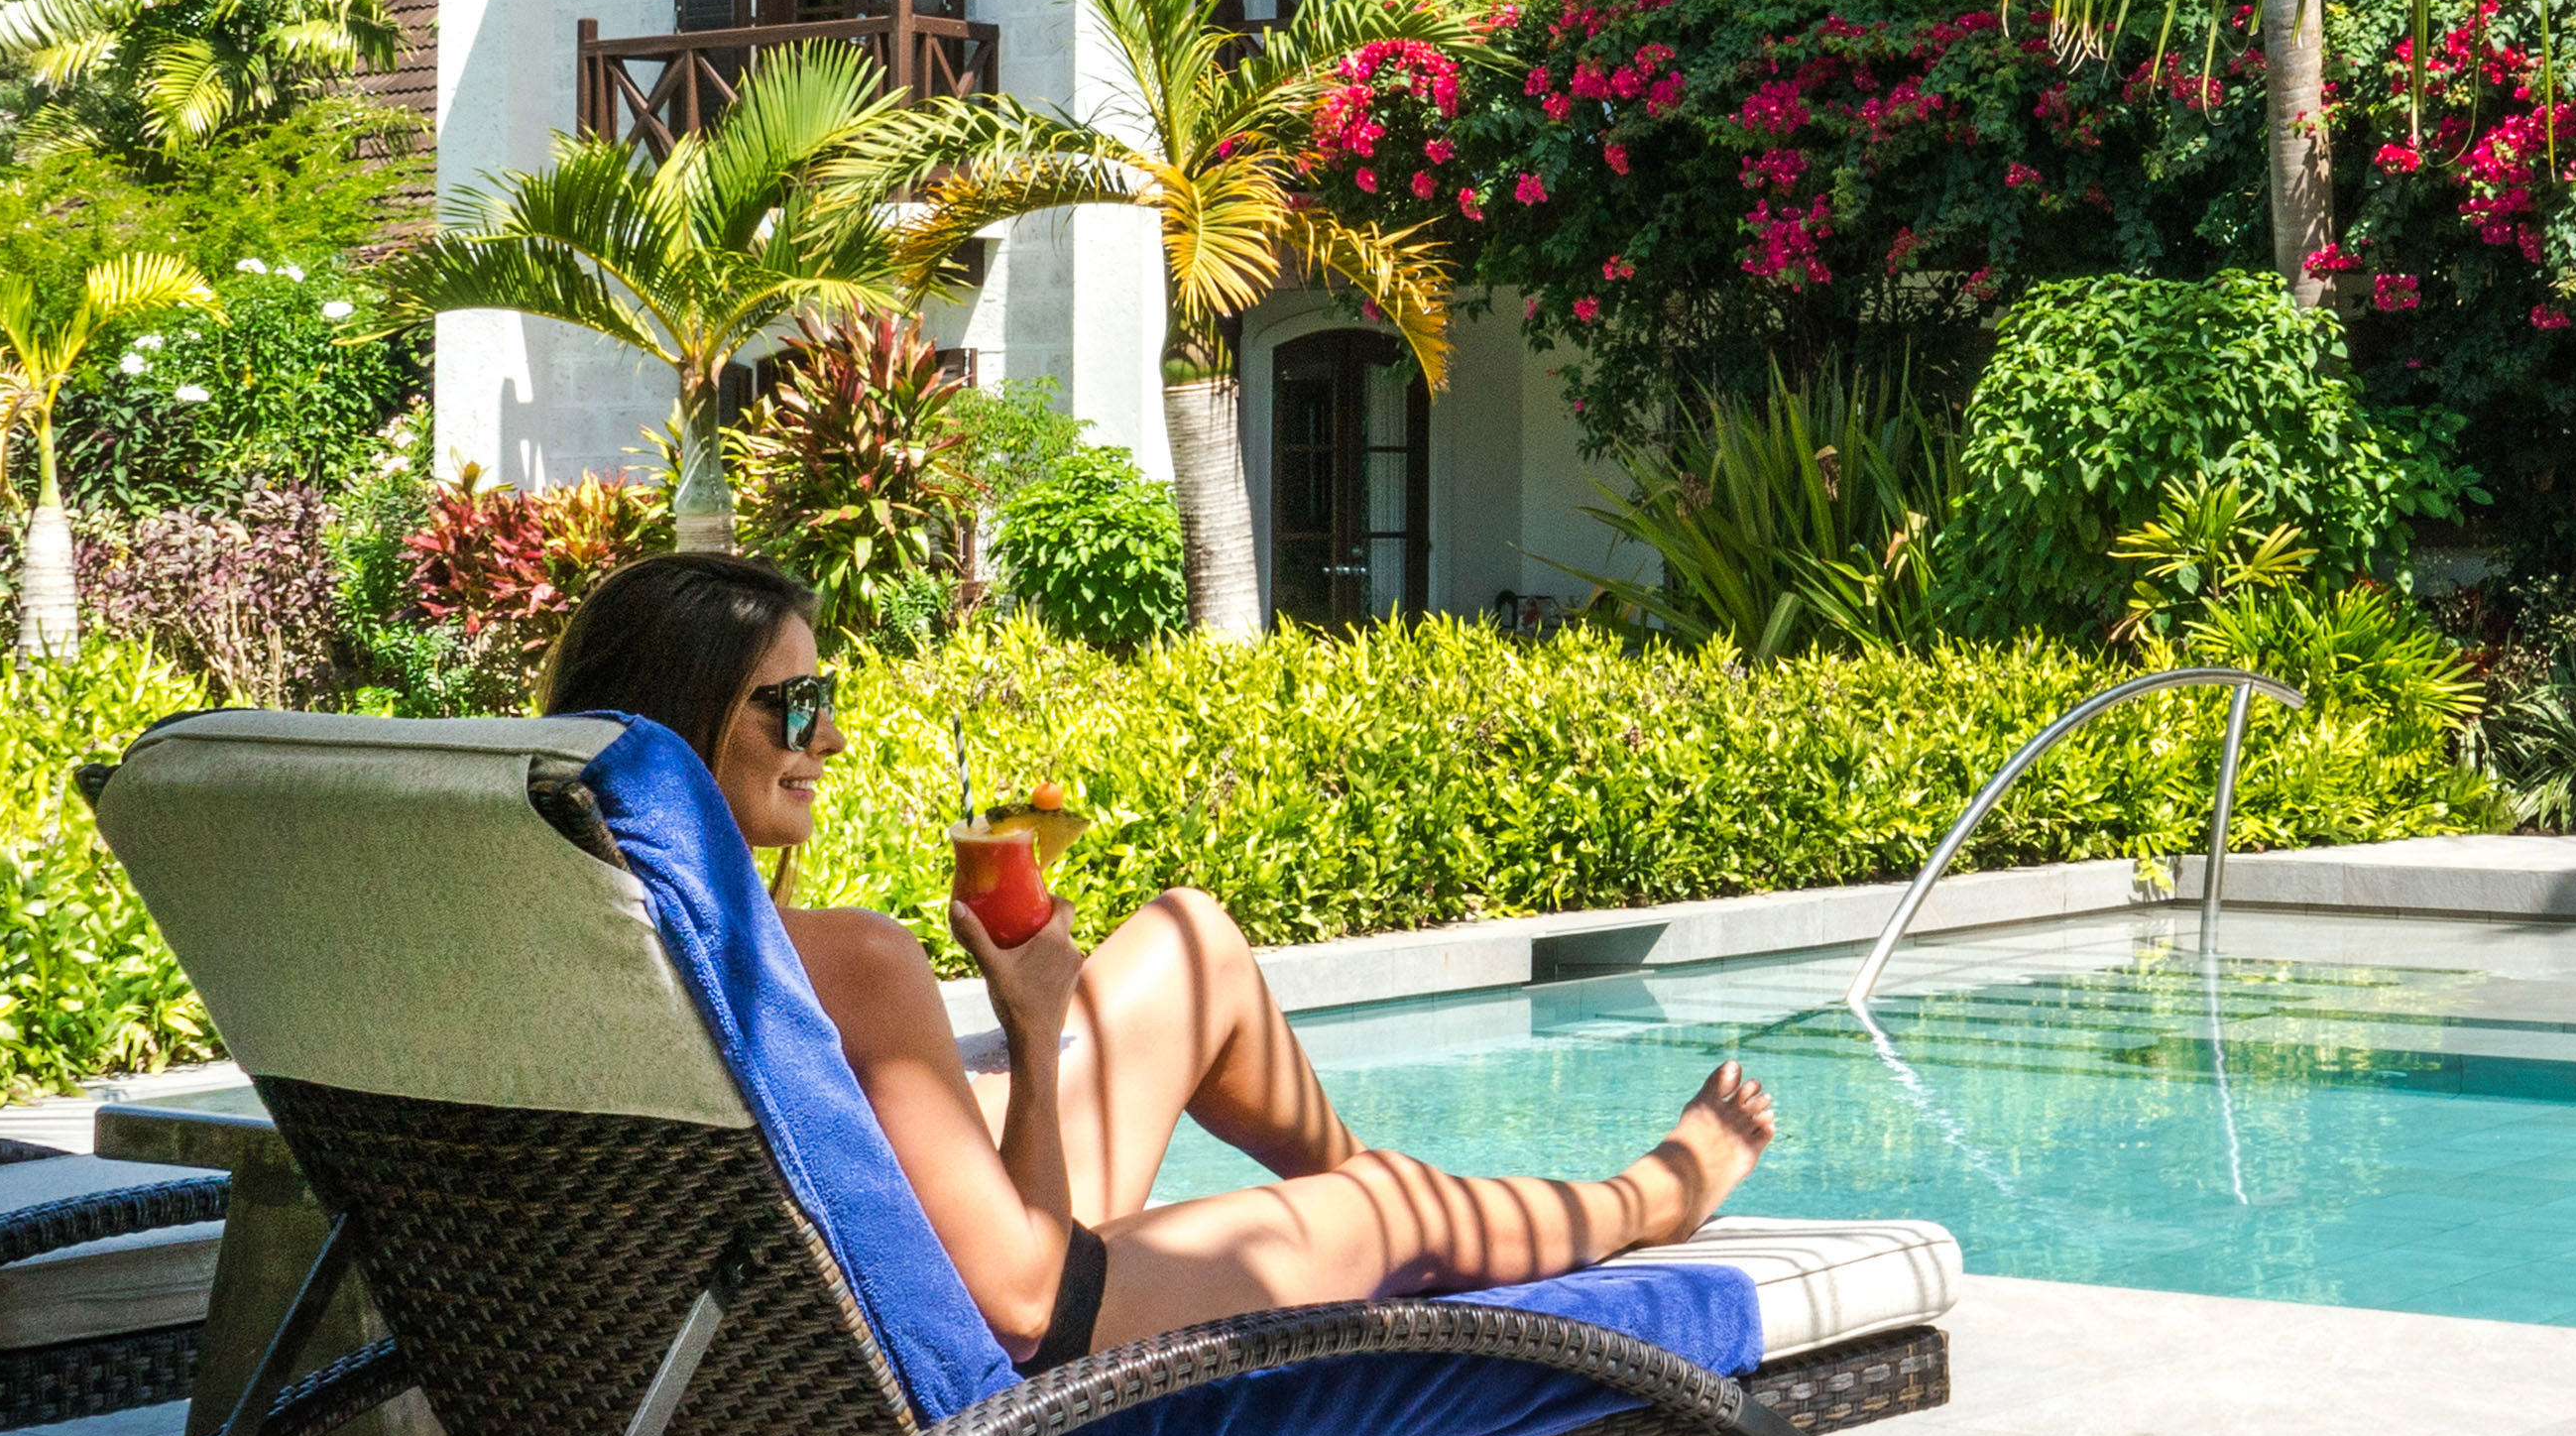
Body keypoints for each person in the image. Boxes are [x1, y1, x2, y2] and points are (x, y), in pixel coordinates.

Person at [536, 550, 1776, 1376]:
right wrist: (1030, 1031)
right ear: (687, 719)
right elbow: (1025, 1300)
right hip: (1003, 1351)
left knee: (1188, 939)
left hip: (806, 1344)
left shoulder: (578, 953)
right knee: (1386, 1200)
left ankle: (1391, 1276)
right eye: (792, 706)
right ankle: (1639, 1202)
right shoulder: (848, 960)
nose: (834, 735)